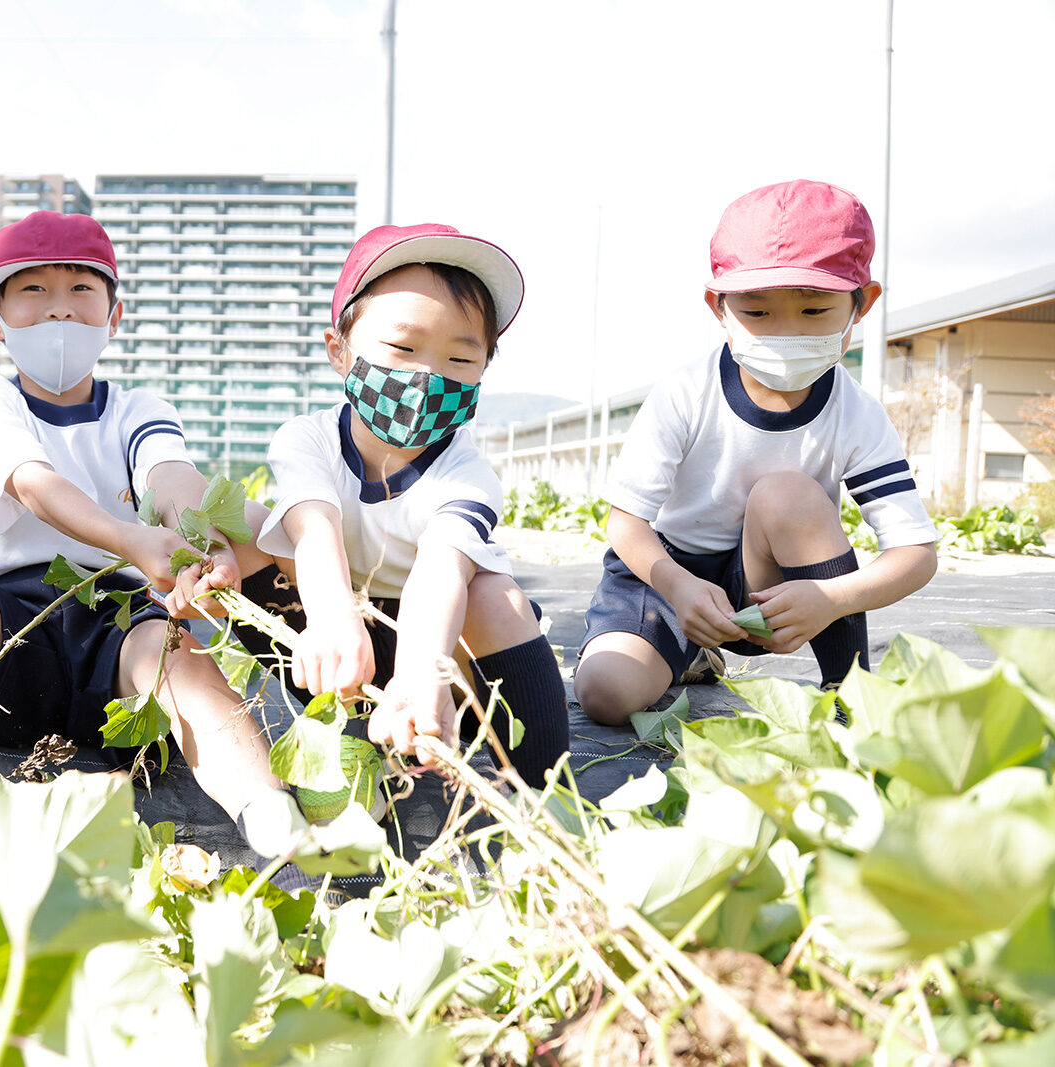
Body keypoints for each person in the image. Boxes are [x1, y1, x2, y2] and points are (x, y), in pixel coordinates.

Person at [0, 211, 323, 887]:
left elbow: (170, 477)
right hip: (4, 632)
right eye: (34, 293)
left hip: (118, 629)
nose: (60, 313)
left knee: (180, 659)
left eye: (80, 291)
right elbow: (35, 484)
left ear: (114, 313)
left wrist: (203, 537)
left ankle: (270, 813)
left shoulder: (135, 408)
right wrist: (131, 536)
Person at [573, 180, 939, 726]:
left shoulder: (856, 414)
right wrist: (677, 584)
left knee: (788, 493)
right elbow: (626, 524)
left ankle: (850, 692)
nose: (786, 334)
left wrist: (832, 599)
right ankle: (688, 656)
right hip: (669, 576)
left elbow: (916, 554)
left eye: (814, 311)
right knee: (606, 694)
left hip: (771, 588)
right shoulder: (685, 392)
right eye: (758, 312)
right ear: (717, 306)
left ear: (863, 303)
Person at [227, 224, 570, 790]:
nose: (427, 376)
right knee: (240, 525)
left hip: (434, 651)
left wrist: (421, 672)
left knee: (497, 596)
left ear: (484, 370)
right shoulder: (305, 440)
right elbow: (314, 530)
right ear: (340, 351)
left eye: (460, 359)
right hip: (326, 640)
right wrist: (335, 617)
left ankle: (540, 785)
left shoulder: (467, 473)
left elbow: (440, 573)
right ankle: (347, 714)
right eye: (403, 349)